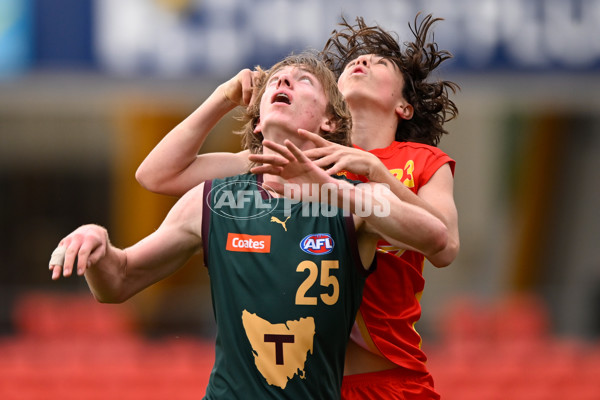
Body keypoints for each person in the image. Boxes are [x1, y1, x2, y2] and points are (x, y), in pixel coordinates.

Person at [49, 53, 448, 399]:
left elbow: (436, 237)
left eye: (303, 80)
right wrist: (98, 243)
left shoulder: (351, 201)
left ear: (329, 121)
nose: (284, 80)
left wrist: (330, 187)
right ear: (258, 125)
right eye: (275, 79)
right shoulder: (214, 199)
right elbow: (117, 281)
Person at [135, 14, 459, 399]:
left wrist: (376, 173)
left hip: (391, 379)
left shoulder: (424, 161)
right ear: (330, 108)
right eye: (354, 61)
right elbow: (157, 176)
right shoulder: (295, 157)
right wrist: (222, 98)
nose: (361, 61)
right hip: (314, 381)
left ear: (404, 106)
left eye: (379, 63)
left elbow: (446, 246)